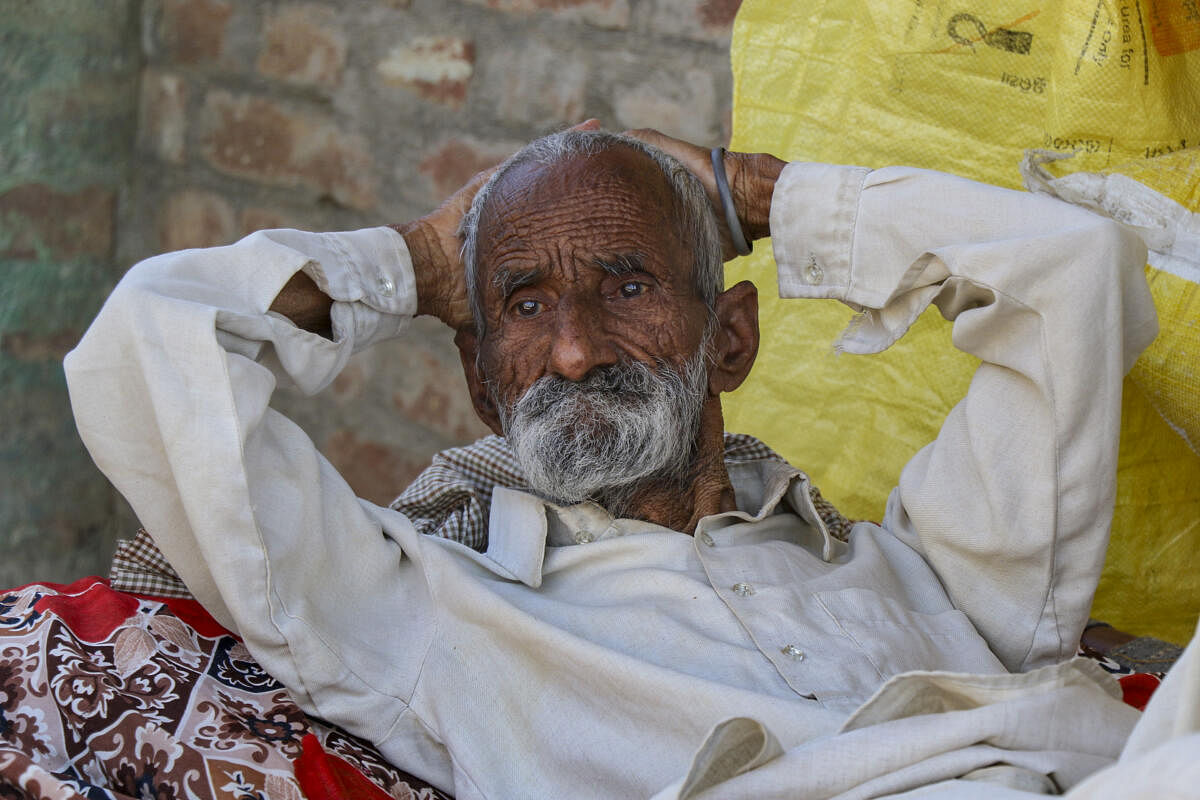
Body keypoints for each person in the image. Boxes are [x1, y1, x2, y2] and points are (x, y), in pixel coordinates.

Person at [64, 123, 1189, 799]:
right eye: (522, 301)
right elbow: (146, 345)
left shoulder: (931, 564)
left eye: (630, 284)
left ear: (731, 339)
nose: (572, 347)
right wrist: (406, 264)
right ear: (477, 376)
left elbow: (1076, 270)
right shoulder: (424, 609)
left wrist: (762, 197)